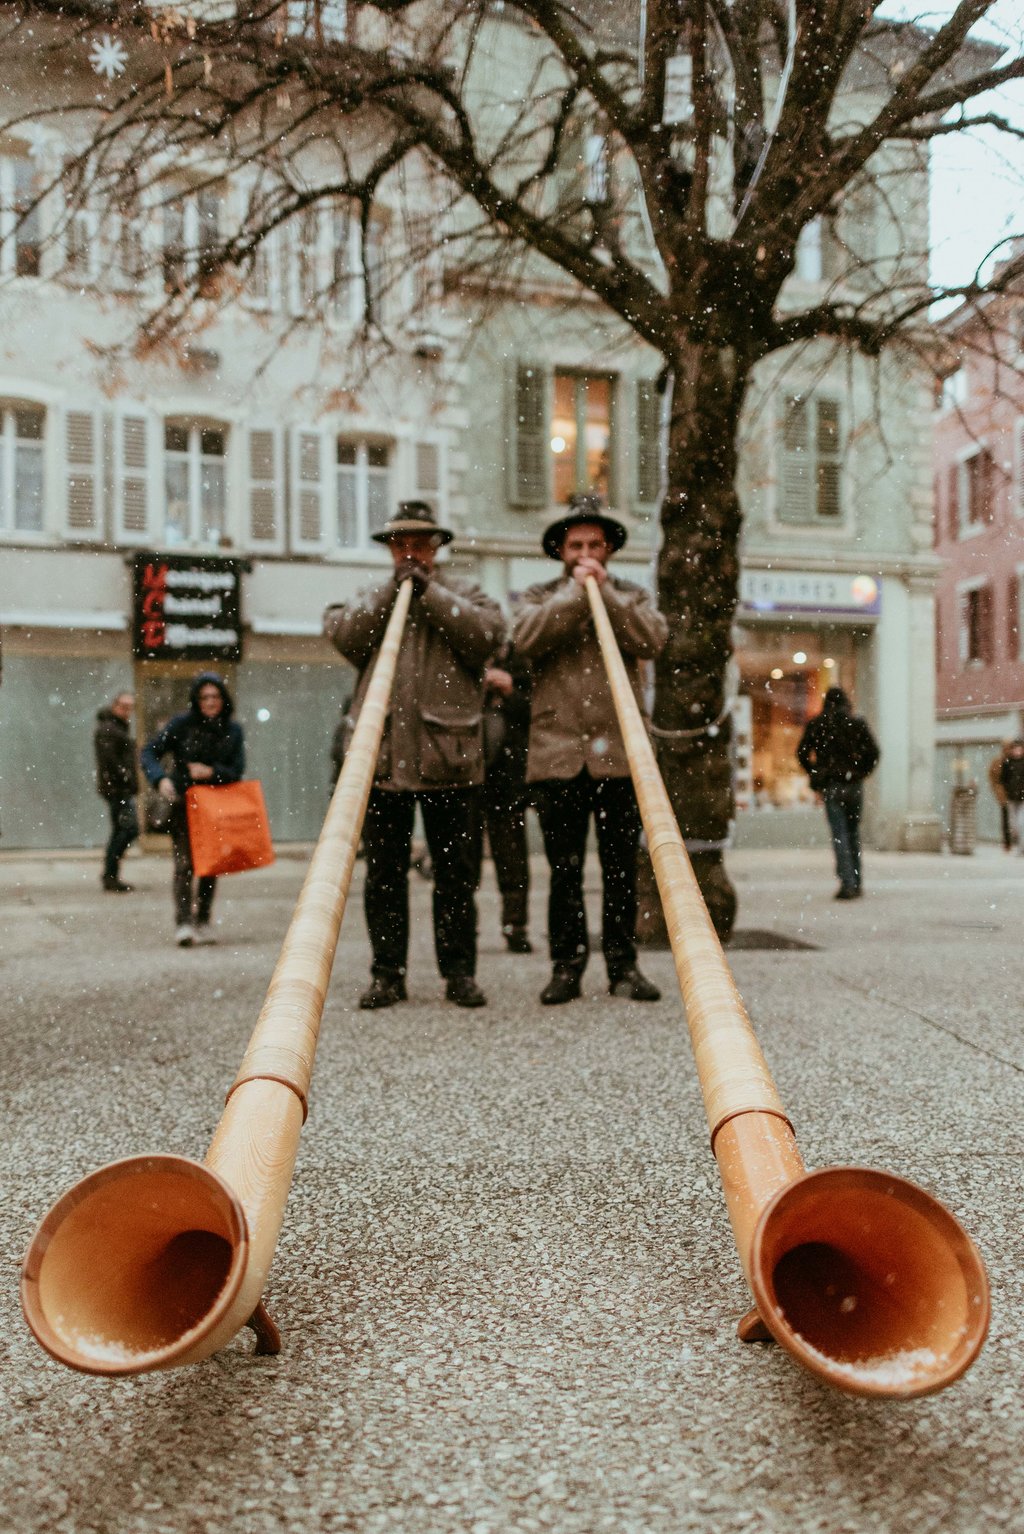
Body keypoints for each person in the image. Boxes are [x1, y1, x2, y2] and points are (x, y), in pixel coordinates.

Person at [324, 501, 505, 1010]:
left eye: (421, 544)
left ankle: (459, 974)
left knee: (455, 879)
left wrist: (430, 594)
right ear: (389, 549)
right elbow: (343, 634)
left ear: (436, 548)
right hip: (382, 763)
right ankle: (387, 974)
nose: (411, 552)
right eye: (401, 544)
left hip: (451, 760)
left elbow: (488, 637)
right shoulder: (372, 596)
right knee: (383, 877)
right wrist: (392, 592)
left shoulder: (463, 593)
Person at [513, 493, 667, 1005]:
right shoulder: (536, 596)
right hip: (557, 756)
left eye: (594, 546)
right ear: (560, 550)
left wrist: (607, 596)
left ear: (608, 551)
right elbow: (525, 639)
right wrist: (576, 597)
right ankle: (566, 967)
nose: (585, 554)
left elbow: (652, 639)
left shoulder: (633, 595)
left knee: (621, 869)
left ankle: (624, 967)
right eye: (575, 545)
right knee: (564, 871)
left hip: (620, 757)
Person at [140, 672, 245, 946]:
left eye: (215, 696)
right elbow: (149, 751)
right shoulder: (181, 725)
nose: (210, 702)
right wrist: (159, 779)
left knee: (210, 864)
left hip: (215, 807)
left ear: (223, 698)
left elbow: (237, 770)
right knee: (184, 864)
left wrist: (212, 772)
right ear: (196, 700)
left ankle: (204, 919)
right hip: (184, 804)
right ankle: (184, 922)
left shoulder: (233, 730)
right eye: (204, 697)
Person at [471, 644, 533, 953]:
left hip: (507, 778)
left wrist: (509, 690)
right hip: (466, 776)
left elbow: (532, 714)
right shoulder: (463, 655)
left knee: (512, 857)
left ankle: (516, 925)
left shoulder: (520, 664)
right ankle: (466, 927)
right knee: (463, 859)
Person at [796, 686, 880, 900]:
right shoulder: (856, 723)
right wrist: (861, 771)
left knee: (840, 835)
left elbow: (802, 752)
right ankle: (857, 880)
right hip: (853, 786)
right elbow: (873, 752)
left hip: (831, 785)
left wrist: (815, 773)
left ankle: (847, 883)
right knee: (853, 834)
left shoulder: (818, 724)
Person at [94, 690, 139, 892]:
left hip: (119, 789)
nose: (127, 711)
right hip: (117, 790)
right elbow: (111, 761)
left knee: (123, 830)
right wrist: (125, 778)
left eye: (130, 707)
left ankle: (110, 873)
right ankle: (110, 873)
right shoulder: (109, 729)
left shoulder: (115, 728)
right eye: (124, 706)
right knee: (127, 829)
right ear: (115, 706)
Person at [998, 739, 1024, 854]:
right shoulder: (1007, 763)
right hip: (1011, 798)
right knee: (1013, 824)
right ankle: (1016, 842)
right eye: (1016, 749)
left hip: (1022, 798)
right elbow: (1002, 780)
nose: (1018, 751)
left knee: (1021, 822)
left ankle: (1021, 847)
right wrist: (1005, 794)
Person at [988, 742, 1014, 851]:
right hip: (1005, 795)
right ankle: (1007, 842)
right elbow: (992, 777)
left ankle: (1011, 841)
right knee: (1006, 818)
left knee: (1014, 818)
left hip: (1016, 793)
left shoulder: (1017, 760)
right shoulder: (998, 761)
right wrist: (997, 789)